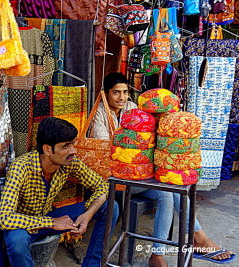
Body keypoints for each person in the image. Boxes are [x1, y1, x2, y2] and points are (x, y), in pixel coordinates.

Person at [91, 72, 236, 267]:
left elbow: (151, 139)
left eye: (125, 92)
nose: (121, 97)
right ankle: (199, 238)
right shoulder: (99, 113)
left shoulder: (133, 109)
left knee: (167, 194)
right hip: (115, 179)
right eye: (116, 92)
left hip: (141, 176)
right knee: (168, 190)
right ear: (106, 93)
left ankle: (158, 253)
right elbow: (108, 145)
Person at [0, 117, 119, 267]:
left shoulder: (69, 163)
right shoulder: (20, 167)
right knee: (16, 241)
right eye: (65, 146)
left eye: (72, 144)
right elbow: (5, 218)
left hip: (49, 215)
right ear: (47, 149)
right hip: (24, 224)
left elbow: (102, 186)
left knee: (110, 207)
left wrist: (87, 216)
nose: (73, 151)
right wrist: (51, 222)